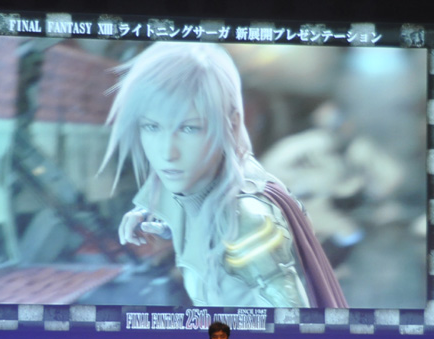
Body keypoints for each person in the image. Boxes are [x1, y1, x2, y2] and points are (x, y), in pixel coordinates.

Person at [101, 42, 348, 308]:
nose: (167, 152)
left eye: (189, 129)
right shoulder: (198, 185)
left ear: (230, 124)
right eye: (152, 127)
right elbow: (196, 220)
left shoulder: (245, 218)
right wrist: (153, 221)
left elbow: (290, 315)